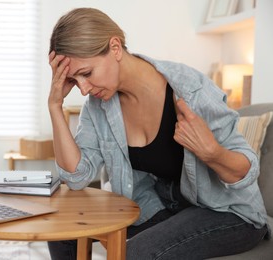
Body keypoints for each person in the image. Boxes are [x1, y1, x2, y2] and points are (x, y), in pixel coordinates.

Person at [47, 7, 269, 260]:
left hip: (226, 211)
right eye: (75, 81)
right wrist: (55, 106)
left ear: (115, 48)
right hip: (164, 206)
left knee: (134, 254)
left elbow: (246, 171)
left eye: (86, 74)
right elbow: (77, 177)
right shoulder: (98, 107)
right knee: (62, 231)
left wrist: (212, 152)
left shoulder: (190, 90)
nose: (84, 89)